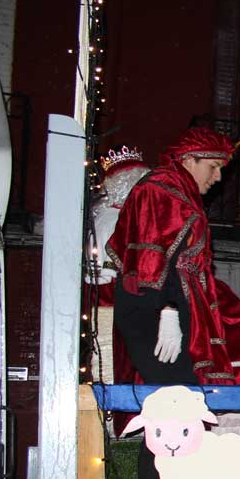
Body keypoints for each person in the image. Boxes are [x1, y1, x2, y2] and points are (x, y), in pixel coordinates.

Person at [105, 128, 240, 479]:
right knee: (175, 405)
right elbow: (149, 258)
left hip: (169, 309)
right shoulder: (159, 189)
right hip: (153, 310)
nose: (219, 177)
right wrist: (169, 311)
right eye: (213, 166)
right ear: (189, 159)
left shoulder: (177, 192)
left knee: (177, 405)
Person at [86, 145, 149, 383]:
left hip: (119, 305)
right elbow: (105, 272)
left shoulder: (124, 217)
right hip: (111, 305)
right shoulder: (112, 219)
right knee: (110, 365)